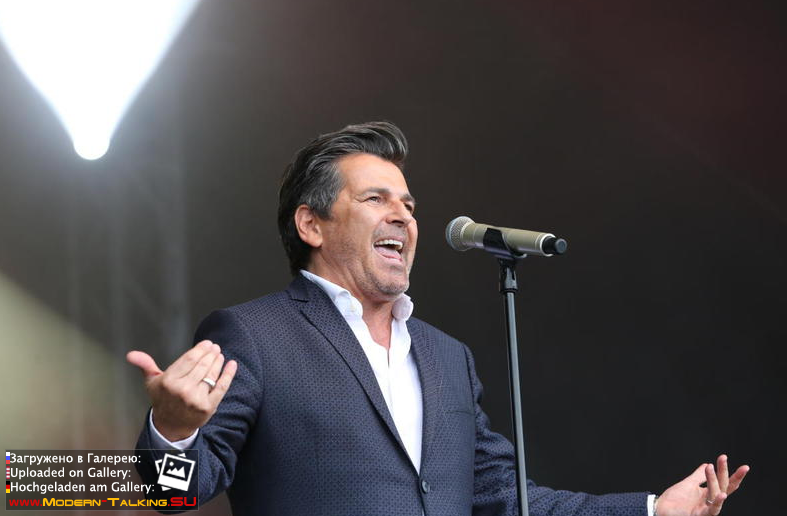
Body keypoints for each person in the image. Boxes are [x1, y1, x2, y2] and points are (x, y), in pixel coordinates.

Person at [127, 121, 748, 516]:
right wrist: (173, 430)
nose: (403, 215)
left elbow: (506, 498)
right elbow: (169, 495)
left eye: (409, 204)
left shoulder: (447, 357)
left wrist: (650, 510)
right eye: (375, 199)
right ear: (311, 224)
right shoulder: (255, 335)